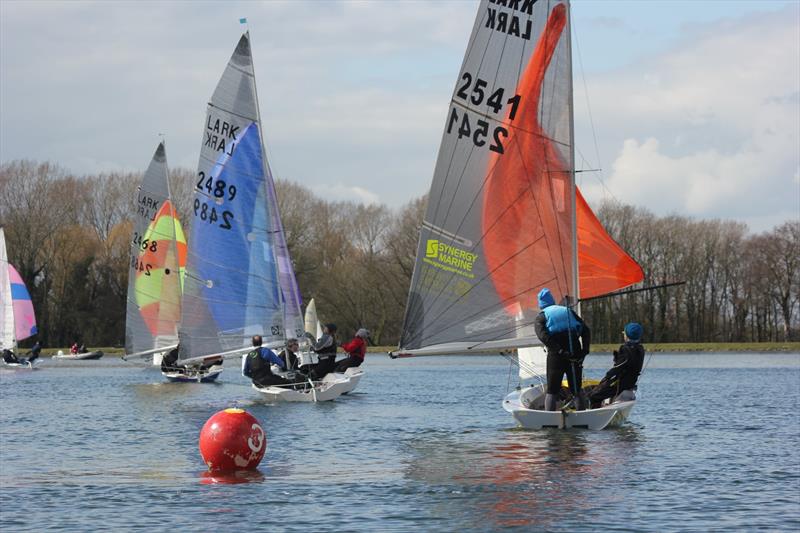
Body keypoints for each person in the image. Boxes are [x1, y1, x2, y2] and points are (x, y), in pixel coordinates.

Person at [534, 288, 591, 411]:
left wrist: (559, 350)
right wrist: (585, 351)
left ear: (541, 305)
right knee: (576, 389)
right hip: (574, 350)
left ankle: (549, 419)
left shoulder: (542, 316)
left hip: (556, 354)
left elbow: (543, 336)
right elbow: (585, 330)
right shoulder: (568, 311)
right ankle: (582, 417)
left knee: (552, 390)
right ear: (553, 301)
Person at [590, 323, 645, 408]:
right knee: (598, 390)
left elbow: (618, 367)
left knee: (593, 396)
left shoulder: (625, 349)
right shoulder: (640, 349)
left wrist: (607, 376)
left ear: (627, 336)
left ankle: (594, 413)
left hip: (621, 384)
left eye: (624, 334)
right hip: (630, 383)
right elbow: (628, 364)